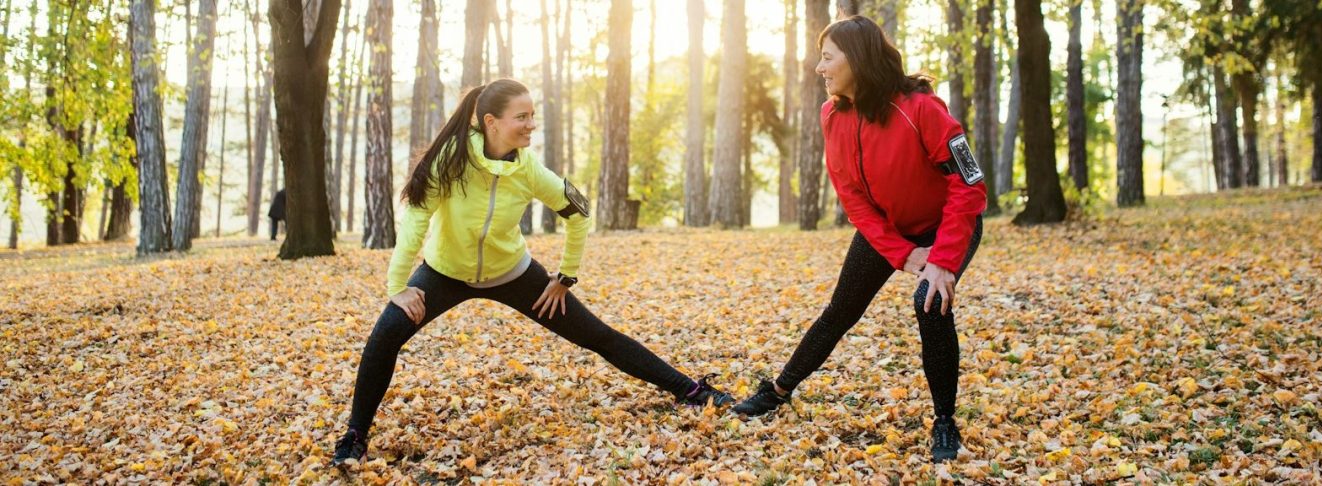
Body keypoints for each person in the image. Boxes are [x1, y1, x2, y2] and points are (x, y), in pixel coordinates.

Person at [331, 79, 733, 466]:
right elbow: (417, 220)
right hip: (445, 272)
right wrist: (397, 287)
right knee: (385, 335)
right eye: (521, 117)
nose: (531, 125)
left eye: (532, 115)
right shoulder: (451, 160)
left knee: (596, 335)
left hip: (513, 274)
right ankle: (355, 437)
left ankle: (691, 390)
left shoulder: (529, 170)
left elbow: (579, 214)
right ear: (491, 122)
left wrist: (565, 277)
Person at [731, 16, 987, 464]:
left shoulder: (923, 109)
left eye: (827, 57)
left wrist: (941, 261)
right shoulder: (832, 113)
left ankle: (945, 422)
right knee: (839, 311)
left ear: (857, 59)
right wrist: (903, 254)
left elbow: (970, 185)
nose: (819, 68)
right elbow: (851, 195)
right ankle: (777, 391)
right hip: (888, 229)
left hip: (947, 226)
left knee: (931, 303)